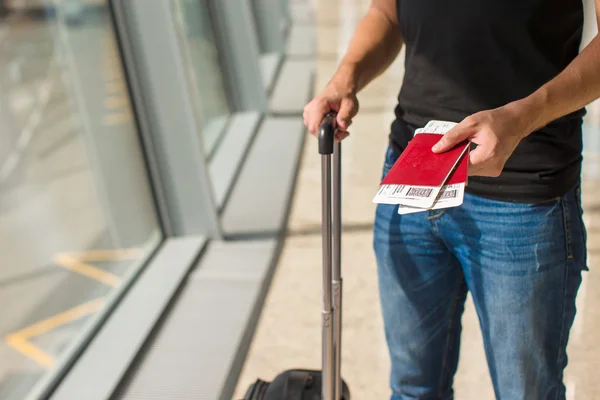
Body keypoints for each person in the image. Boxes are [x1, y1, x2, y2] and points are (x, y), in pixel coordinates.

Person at [303, 0, 599, 399]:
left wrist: (521, 117)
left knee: (525, 392)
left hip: (523, 195)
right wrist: (346, 76)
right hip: (411, 176)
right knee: (413, 389)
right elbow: (387, 13)